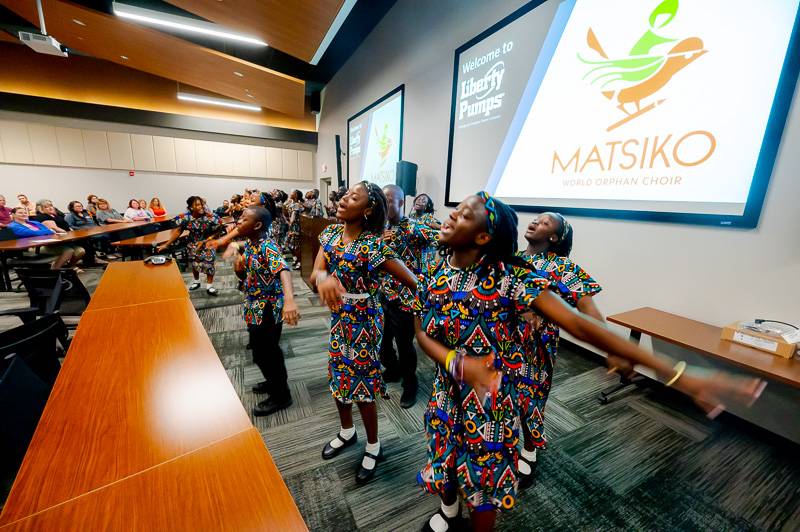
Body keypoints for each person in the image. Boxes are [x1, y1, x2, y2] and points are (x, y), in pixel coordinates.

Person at [413, 192, 765, 531]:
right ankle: (448, 509)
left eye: (466, 213)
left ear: (484, 235)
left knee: (485, 478)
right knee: (443, 454)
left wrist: (677, 375)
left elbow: (580, 321)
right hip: (446, 393)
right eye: (456, 209)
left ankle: (519, 464)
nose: (454, 214)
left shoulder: (511, 277)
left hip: (490, 402)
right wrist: (456, 363)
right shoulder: (432, 271)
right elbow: (421, 330)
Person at [311, 181, 417, 485]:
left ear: (368, 209)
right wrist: (323, 277)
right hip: (339, 318)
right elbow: (314, 273)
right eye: (344, 196)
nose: (344, 200)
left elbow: (413, 282)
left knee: (362, 382)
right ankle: (347, 431)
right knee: (338, 374)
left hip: (365, 320)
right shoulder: (329, 234)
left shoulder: (374, 245)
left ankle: (374, 444)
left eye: (352, 197)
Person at [514, 212, 604, 482]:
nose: (534, 222)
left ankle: (529, 450)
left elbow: (592, 315)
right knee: (501, 398)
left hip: (536, 350)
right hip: (503, 343)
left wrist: (613, 347)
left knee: (530, 400)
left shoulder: (564, 267)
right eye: (535, 219)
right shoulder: (513, 258)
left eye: (544, 223)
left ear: (554, 237)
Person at [231, 206, 300, 416]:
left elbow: (283, 270)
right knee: (261, 352)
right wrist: (240, 270)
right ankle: (273, 382)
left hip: (269, 308)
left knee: (269, 353)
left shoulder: (268, 246)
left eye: (243, 219)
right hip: (255, 306)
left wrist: (289, 300)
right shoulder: (252, 245)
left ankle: (282, 395)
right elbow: (253, 273)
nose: (238, 222)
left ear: (258, 225)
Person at [379, 184, 438, 408]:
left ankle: (410, 384)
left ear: (401, 203)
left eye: (388, 201)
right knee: (383, 344)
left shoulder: (413, 228)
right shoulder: (381, 227)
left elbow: (439, 237)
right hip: (383, 294)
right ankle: (392, 370)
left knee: (404, 345)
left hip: (405, 299)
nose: (383, 206)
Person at [157, 196, 224, 295]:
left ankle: (209, 286)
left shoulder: (211, 217)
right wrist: (166, 244)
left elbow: (220, 229)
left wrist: (207, 240)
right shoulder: (186, 218)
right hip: (192, 244)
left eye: (201, 204)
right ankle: (196, 281)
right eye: (197, 205)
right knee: (194, 264)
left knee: (209, 264)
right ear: (191, 207)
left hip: (208, 243)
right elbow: (178, 231)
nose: (201, 207)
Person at [6, 208, 83, 269]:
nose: (23, 214)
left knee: (80, 250)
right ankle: (54, 271)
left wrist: (47, 231)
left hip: (47, 244)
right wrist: (46, 231)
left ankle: (67, 268)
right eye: (20, 213)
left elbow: (51, 232)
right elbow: (31, 233)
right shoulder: (12, 226)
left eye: (25, 212)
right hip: (32, 248)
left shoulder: (35, 223)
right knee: (68, 250)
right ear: (13, 215)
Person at [284, 190, 303, 268]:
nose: (290, 193)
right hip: (291, 227)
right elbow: (284, 206)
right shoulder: (291, 203)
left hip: (295, 227)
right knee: (289, 245)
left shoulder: (296, 205)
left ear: (296, 195)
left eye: (293, 193)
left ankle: (299, 261)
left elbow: (293, 215)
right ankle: (296, 259)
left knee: (295, 246)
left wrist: (290, 222)